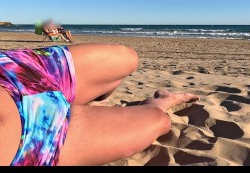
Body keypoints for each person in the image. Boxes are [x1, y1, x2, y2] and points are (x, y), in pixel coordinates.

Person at [0, 43, 199, 166]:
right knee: (159, 120)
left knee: (128, 57)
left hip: (14, 69)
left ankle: (89, 97)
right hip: (36, 136)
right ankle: (157, 103)